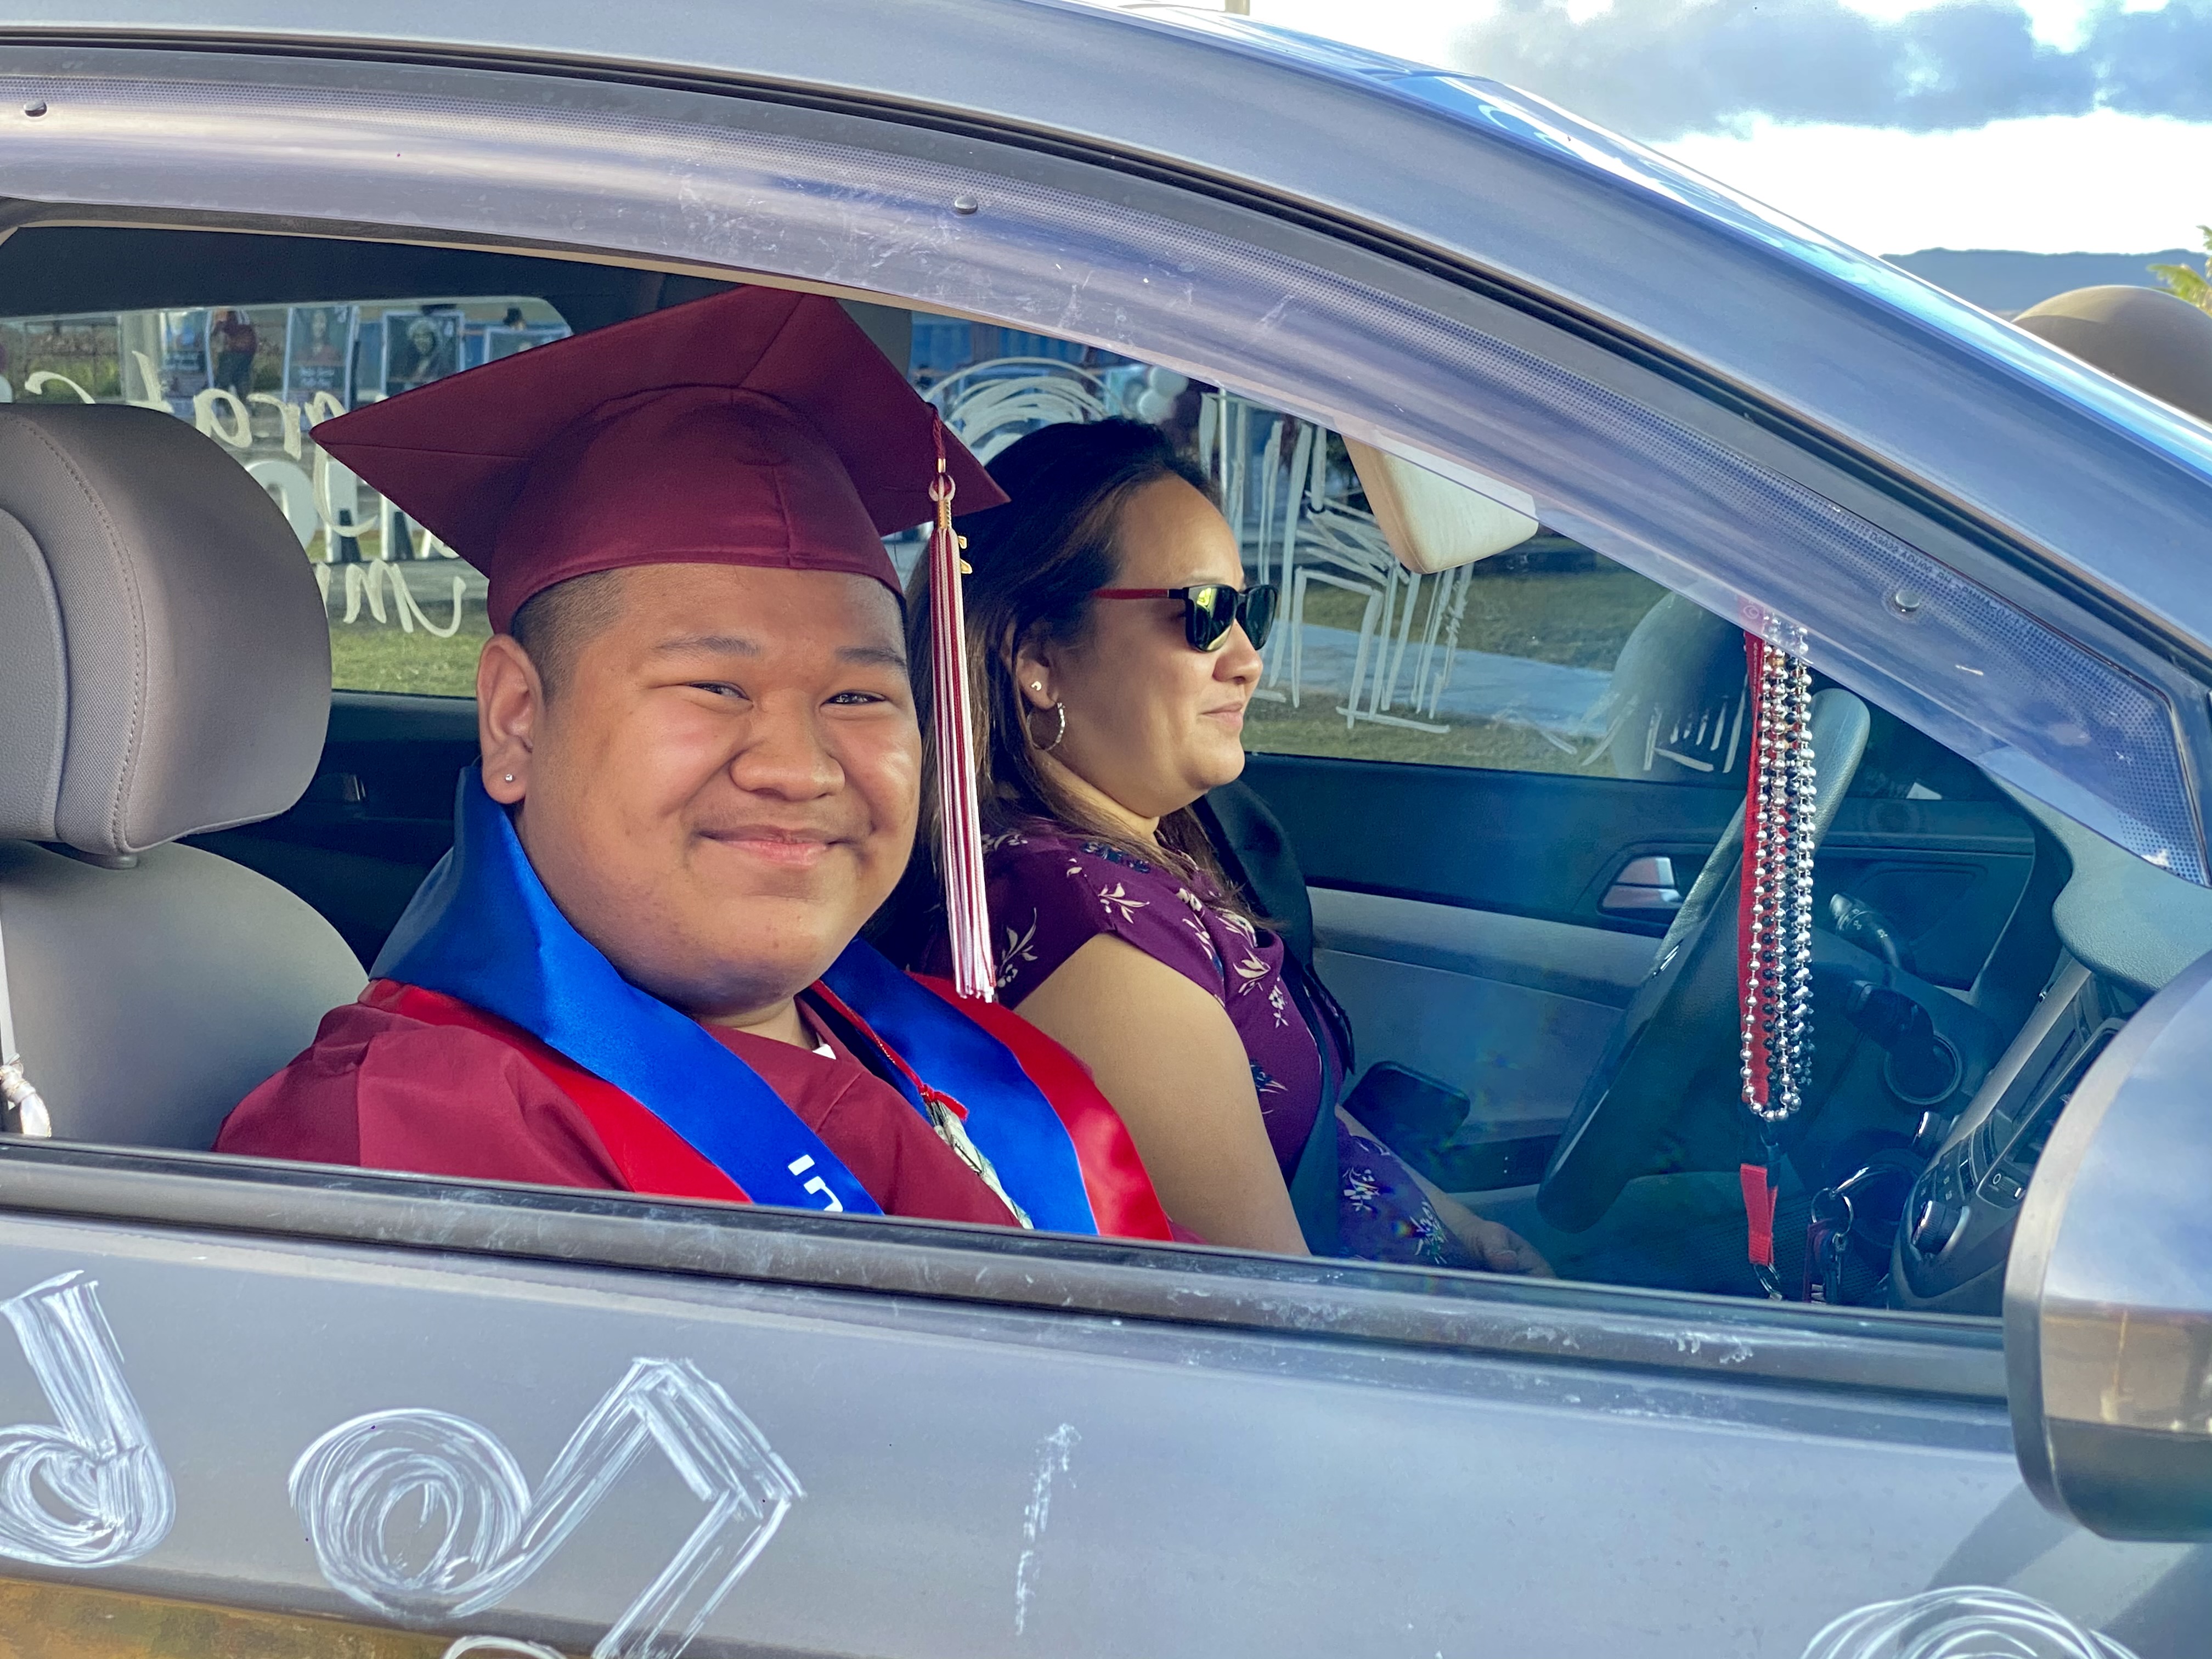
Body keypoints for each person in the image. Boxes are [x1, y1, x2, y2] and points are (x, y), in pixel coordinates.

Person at [219, 287, 1174, 1243]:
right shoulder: (403, 1149)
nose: (800, 771)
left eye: (859, 698)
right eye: (714, 688)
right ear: (516, 722)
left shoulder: (990, 1067)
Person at [907, 417, 1544, 1271]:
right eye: (1205, 614)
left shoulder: (1149, 849)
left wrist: (1471, 1229)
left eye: (1253, 610)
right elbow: (1278, 1315)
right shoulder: (1090, 942)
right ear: (1040, 659)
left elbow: (1278, 1105)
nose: (1248, 658)